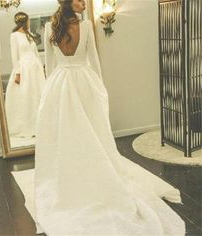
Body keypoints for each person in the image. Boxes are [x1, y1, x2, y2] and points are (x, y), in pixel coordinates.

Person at [34, 0, 185, 235]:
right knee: (91, 130)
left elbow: (50, 65)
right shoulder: (85, 27)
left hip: (59, 83)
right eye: (79, 0)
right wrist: (100, 89)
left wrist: (48, 93)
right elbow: (93, 61)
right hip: (84, 81)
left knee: (67, 132)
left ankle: (71, 170)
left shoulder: (49, 28)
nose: (84, 3)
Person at [5, 12, 46, 138]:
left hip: (35, 69)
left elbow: (36, 53)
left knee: (38, 94)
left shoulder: (30, 35)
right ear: (24, 21)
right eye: (28, 21)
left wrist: (41, 68)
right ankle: (27, 125)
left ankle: (41, 124)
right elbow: (14, 56)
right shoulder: (14, 36)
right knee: (26, 95)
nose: (29, 23)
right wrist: (17, 73)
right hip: (24, 69)